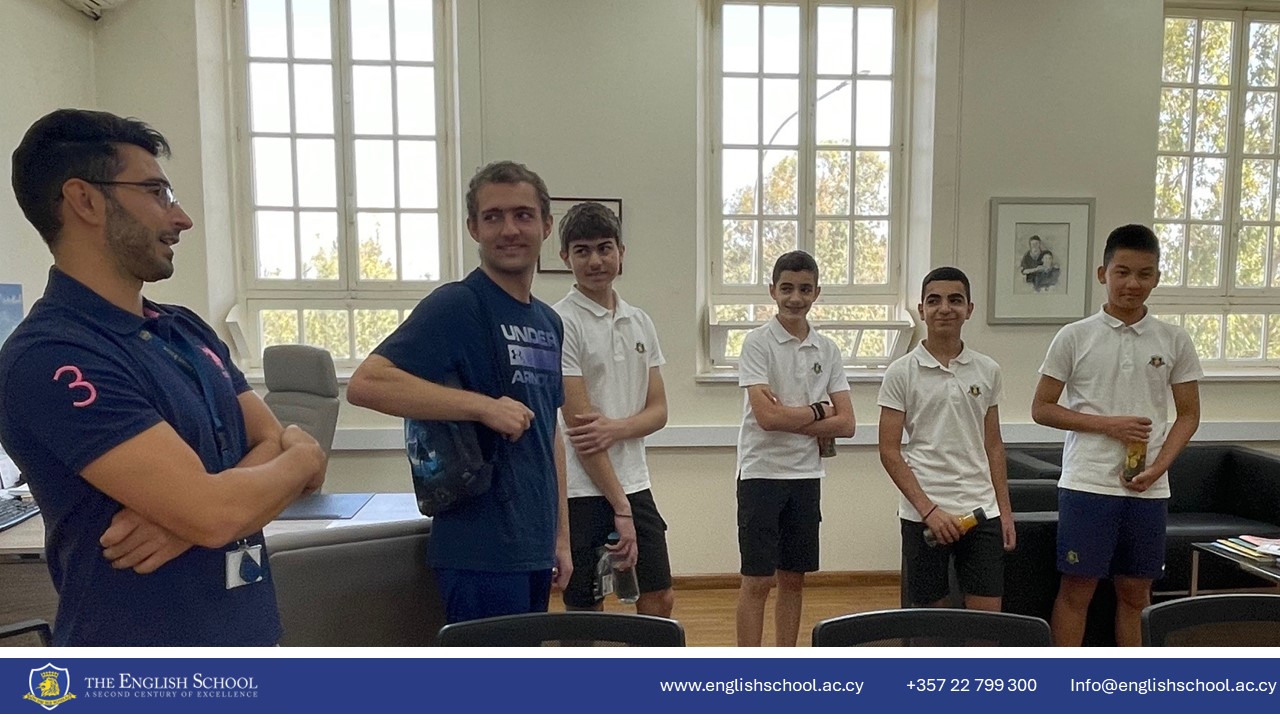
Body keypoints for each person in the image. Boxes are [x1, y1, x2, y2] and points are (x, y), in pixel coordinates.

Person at [0, 109, 327, 646]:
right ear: (84, 200)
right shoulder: (52, 355)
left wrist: (194, 515)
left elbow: (262, 448)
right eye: (157, 193)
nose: (182, 218)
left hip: (251, 640)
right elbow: (224, 507)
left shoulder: (184, 329)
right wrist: (301, 457)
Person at [347, 160, 571, 623]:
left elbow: (551, 435)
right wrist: (482, 407)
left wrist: (561, 537)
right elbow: (367, 383)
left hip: (533, 545)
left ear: (546, 225)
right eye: (493, 217)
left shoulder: (549, 322)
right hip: (479, 550)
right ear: (473, 228)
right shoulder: (457, 305)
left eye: (523, 215)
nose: (509, 229)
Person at [1031, 223, 1202, 647]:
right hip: (1087, 483)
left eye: (1144, 274)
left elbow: (1189, 415)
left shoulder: (1174, 339)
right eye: (1122, 272)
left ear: (1157, 278)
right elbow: (1042, 408)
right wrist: (1109, 425)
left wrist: (1158, 468)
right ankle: (1061, 683)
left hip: (1148, 488)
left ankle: (1133, 680)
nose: (1132, 283)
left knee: (1135, 593)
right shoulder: (1074, 336)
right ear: (1102, 274)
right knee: (1077, 591)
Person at [552, 202, 674, 617]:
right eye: (582, 250)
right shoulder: (560, 322)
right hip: (582, 491)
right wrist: (620, 507)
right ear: (565, 257)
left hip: (635, 482)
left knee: (659, 598)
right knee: (585, 610)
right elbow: (582, 432)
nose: (595, 261)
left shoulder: (640, 321)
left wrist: (617, 428)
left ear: (621, 252)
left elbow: (659, 411)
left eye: (605, 248)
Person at [734, 250, 855, 647]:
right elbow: (766, 419)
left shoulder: (828, 349)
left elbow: (847, 423)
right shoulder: (756, 343)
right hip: (761, 473)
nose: (795, 298)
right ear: (772, 290)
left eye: (805, 289)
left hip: (806, 475)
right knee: (757, 581)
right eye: (787, 288)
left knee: (793, 579)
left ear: (817, 292)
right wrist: (819, 410)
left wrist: (791, 415)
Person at [877, 267, 1015, 613]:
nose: (944, 308)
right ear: (922, 309)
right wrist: (930, 510)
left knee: (987, 622)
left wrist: (1005, 512)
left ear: (969, 309)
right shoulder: (900, 372)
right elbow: (889, 451)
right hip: (923, 514)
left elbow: (994, 445)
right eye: (934, 300)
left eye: (955, 300)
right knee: (929, 623)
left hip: (981, 510)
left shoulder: (988, 370)